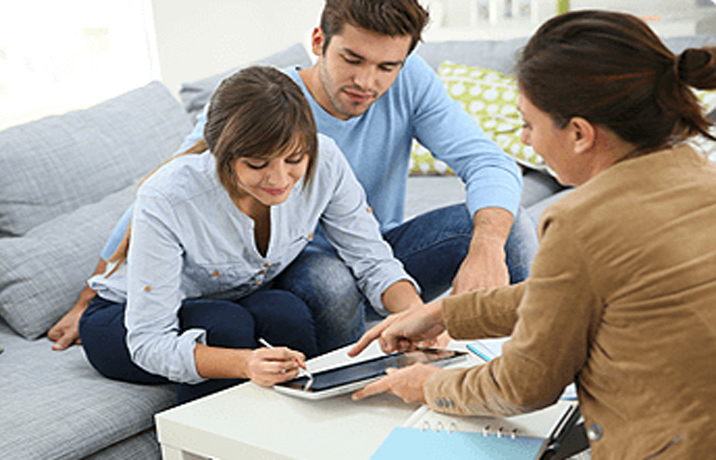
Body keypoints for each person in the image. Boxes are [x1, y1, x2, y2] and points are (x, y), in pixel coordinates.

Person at [348, 10, 716, 458]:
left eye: (528, 124)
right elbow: (575, 294)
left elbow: (523, 385)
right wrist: (447, 311)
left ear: (579, 133)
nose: (525, 140)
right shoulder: (701, 175)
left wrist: (430, 385)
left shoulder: (580, 220)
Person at [174, 0, 539, 353]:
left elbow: (489, 162)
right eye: (352, 59)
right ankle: (358, 381)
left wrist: (487, 248)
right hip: (298, 267)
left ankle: (524, 366)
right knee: (332, 280)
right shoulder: (268, 100)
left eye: (387, 67)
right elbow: (179, 181)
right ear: (319, 41)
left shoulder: (410, 80)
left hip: (377, 251)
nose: (366, 81)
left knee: (508, 228)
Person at [78, 65, 424, 404]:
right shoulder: (169, 195)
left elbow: (372, 259)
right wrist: (245, 364)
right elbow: (149, 342)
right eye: (258, 164)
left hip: (226, 301)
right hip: (124, 320)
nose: (279, 179)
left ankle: (312, 423)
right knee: (225, 328)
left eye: (294, 159)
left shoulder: (326, 160)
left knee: (287, 313)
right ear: (221, 154)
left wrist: (417, 317)